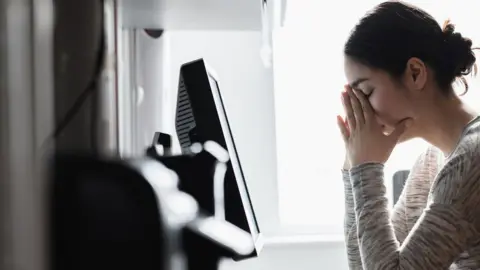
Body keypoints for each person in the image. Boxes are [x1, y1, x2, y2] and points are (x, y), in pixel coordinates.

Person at [337, 1, 480, 269]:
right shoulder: (431, 162)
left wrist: (366, 168)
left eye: (366, 93)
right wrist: (352, 166)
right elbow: (364, 264)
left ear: (415, 73)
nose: (362, 111)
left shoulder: (472, 160)